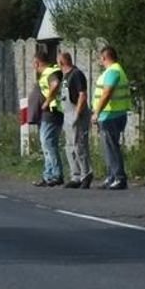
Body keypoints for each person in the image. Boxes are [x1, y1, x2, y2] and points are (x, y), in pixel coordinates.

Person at [91, 45, 131, 190]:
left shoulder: (113, 71)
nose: (101, 61)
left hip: (111, 115)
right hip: (111, 114)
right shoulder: (115, 70)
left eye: (101, 58)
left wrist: (97, 112)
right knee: (108, 147)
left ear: (105, 57)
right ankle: (112, 176)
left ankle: (119, 177)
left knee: (111, 147)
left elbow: (107, 93)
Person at [58, 52, 93, 189]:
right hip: (67, 113)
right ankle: (76, 176)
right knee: (69, 147)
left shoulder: (76, 74)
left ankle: (86, 173)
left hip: (75, 113)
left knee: (79, 145)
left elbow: (82, 95)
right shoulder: (65, 77)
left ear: (62, 62)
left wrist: (77, 114)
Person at [33, 48, 64, 186]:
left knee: (48, 144)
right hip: (52, 112)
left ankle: (56, 174)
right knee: (47, 145)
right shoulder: (51, 71)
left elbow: (55, 84)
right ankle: (48, 175)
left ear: (37, 63)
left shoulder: (49, 73)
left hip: (51, 112)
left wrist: (46, 101)